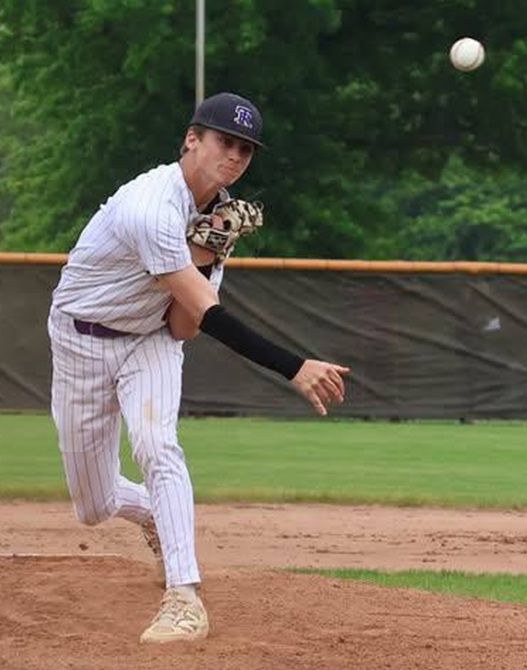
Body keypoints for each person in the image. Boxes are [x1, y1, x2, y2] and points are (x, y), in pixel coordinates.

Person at [47, 92, 350, 643]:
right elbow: (209, 316)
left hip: (152, 342)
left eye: (245, 149)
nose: (234, 156)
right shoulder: (152, 206)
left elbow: (181, 327)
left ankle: (183, 598)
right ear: (192, 138)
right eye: (223, 141)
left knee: (159, 446)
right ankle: (153, 519)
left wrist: (209, 253)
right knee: (93, 506)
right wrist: (294, 367)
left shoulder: (217, 220)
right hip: (80, 340)